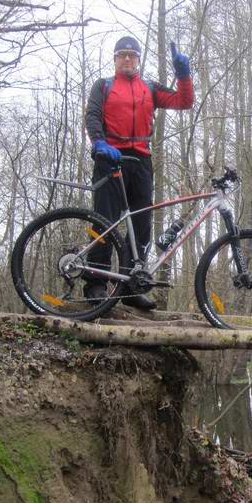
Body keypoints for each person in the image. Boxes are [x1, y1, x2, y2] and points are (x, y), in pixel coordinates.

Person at [84, 35, 194, 310]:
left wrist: (183, 74)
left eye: (132, 56)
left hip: (141, 162)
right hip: (110, 159)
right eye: (122, 55)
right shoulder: (104, 86)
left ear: (139, 60)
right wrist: (99, 142)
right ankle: (96, 283)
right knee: (104, 223)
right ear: (115, 59)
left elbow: (183, 101)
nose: (127, 60)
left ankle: (132, 287)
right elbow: (92, 115)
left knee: (141, 226)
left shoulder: (149, 88)